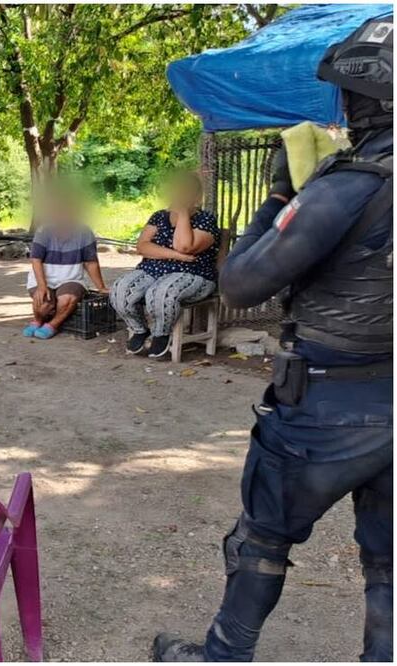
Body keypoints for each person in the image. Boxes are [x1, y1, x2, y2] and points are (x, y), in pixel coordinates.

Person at [153, 16, 392, 662]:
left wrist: (281, 191)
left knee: (259, 542)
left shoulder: (349, 187)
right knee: (386, 568)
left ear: (360, 99)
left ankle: (221, 656)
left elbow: (238, 281)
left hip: (324, 409)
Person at [109, 172, 219, 359]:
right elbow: (142, 246)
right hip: (153, 269)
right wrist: (176, 256)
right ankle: (139, 329)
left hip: (194, 274)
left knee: (159, 292)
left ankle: (161, 333)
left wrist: (183, 213)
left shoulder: (206, 219)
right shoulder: (159, 217)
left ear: (196, 197)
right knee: (120, 289)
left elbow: (184, 245)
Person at [23, 186, 108, 339]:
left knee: (65, 299)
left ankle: (53, 325)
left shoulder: (84, 232)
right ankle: (37, 319)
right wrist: (42, 287)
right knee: (43, 305)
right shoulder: (43, 231)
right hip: (44, 279)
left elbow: (91, 263)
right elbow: (36, 260)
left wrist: (101, 287)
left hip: (71, 279)